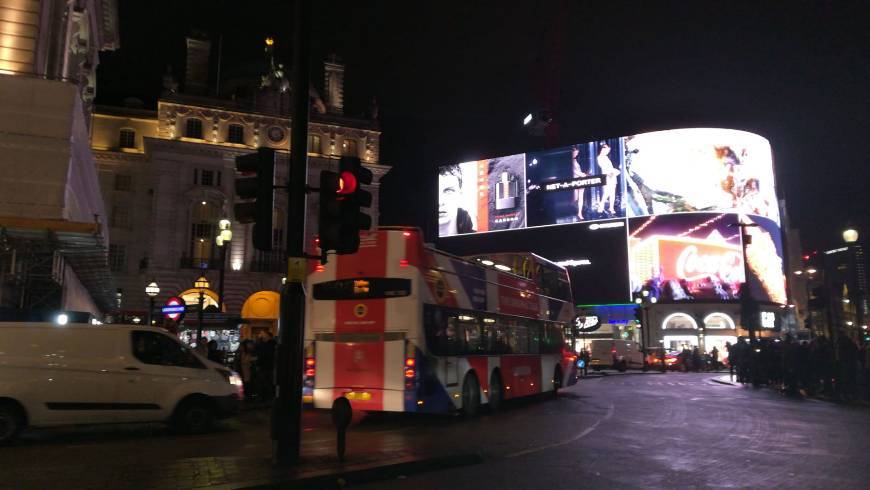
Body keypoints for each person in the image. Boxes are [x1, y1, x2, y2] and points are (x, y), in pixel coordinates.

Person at [438, 165, 475, 236]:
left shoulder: (477, 240)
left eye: (448, 191)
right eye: (434, 192)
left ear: (460, 194)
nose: (440, 202)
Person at [595, 142, 620, 216]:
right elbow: (604, 168)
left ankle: (611, 208)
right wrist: (610, 173)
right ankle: (601, 204)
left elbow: (610, 168)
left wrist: (615, 171)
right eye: (607, 150)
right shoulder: (599, 157)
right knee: (607, 192)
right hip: (607, 176)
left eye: (608, 151)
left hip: (612, 175)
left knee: (612, 192)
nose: (608, 152)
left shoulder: (606, 157)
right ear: (603, 149)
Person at [255, 331, 277, 401]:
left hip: (266, 366)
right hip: (267, 366)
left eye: (263, 334)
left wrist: (258, 362)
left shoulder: (270, 344)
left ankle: (265, 397)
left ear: (268, 336)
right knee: (265, 382)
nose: (261, 335)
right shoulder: (268, 344)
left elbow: (263, 355)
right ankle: (266, 397)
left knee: (265, 382)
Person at [571, 146, 588, 220]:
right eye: (575, 153)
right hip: (574, 181)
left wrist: (584, 174)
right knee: (575, 198)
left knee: (581, 197)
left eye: (577, 153)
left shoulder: (575, 161)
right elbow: (573, 171)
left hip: (580, 180)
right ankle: (574, 211)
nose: (576, 154)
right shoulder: (570, 161)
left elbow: (578, 170)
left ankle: (579, 213)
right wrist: (582, 174)